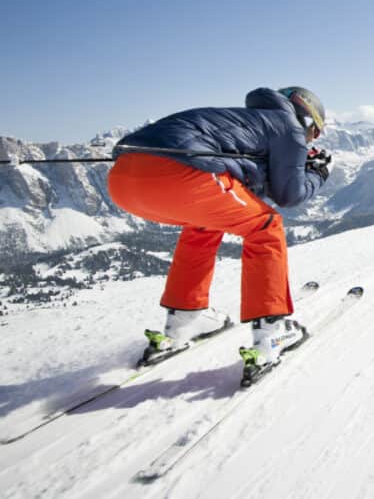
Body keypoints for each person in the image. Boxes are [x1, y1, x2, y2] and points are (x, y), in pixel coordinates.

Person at [107, 87, 331, 374]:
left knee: (204, 223)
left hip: (123, 181)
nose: (310, 140)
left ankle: (184, 321)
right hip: (184, 174)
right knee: (266, 226)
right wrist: (317, 173)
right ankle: (271, 335)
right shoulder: (288, 128)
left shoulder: (245, 121)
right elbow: (289, 195)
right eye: (314, 132)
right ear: (305, 118)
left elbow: (245, 181)